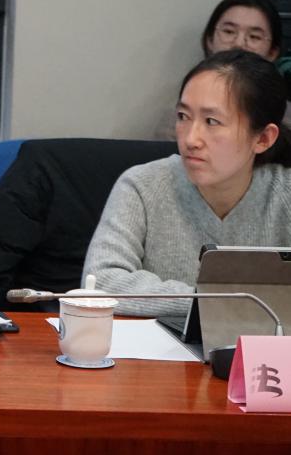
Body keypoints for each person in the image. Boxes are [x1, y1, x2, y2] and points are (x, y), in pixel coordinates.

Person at [85, 49, 291, 317]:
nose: (191, 139)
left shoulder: (284, 194)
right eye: (183, 116)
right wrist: (218, 304)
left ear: (263, 138)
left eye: (212, 121)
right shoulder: (142, 185)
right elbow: (100, 282)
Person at [156, 0, 286, 139]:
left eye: (254, 37)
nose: (239, 43)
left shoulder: (287, 120)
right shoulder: (179, 116)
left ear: (272, 52)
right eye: (229, 31)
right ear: (210, 40)